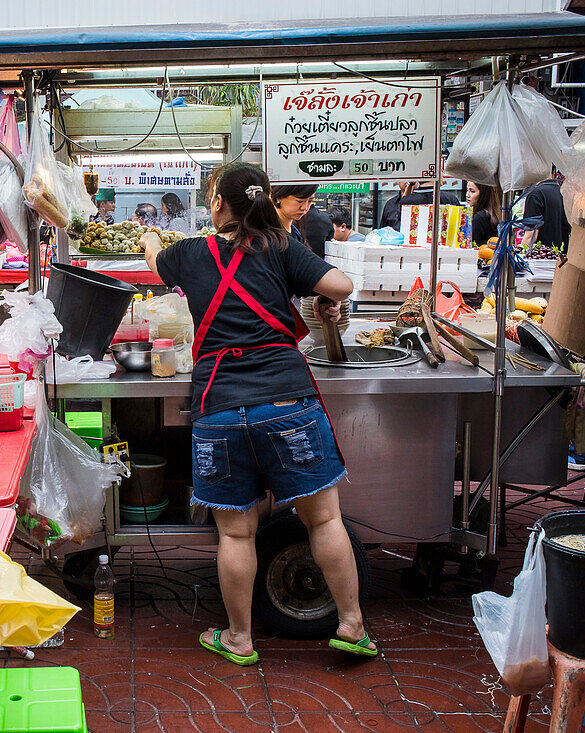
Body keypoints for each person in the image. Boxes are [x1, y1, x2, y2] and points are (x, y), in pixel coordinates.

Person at [140, 162, 375, 665]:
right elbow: (341, 285)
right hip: (287, 399)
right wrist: (320, 296)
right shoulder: (281, 244)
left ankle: (240, 638)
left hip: (219, 405)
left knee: (236, 531)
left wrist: (146, 238)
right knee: (324, 518)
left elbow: (153, 258)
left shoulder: (188, 253)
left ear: (218, 203)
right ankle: (352, 627)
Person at [270, 184, 334, 259]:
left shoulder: (295, 233)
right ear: (278, 198)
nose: (305, 207)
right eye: (299, 201)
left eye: (310, 201)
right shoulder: (268, 235)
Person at [522, 174, 571, 252]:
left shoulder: (535, 194)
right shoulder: (563, 192)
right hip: (561, 256)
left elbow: (531, 236)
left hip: (541, 257)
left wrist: (520, 253)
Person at [465, 181, 500, 246]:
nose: (467, 195)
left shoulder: (479, 217)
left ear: (483, 194)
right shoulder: (493, 214)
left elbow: (471, 243)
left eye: (472, 191)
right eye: (467, 190)